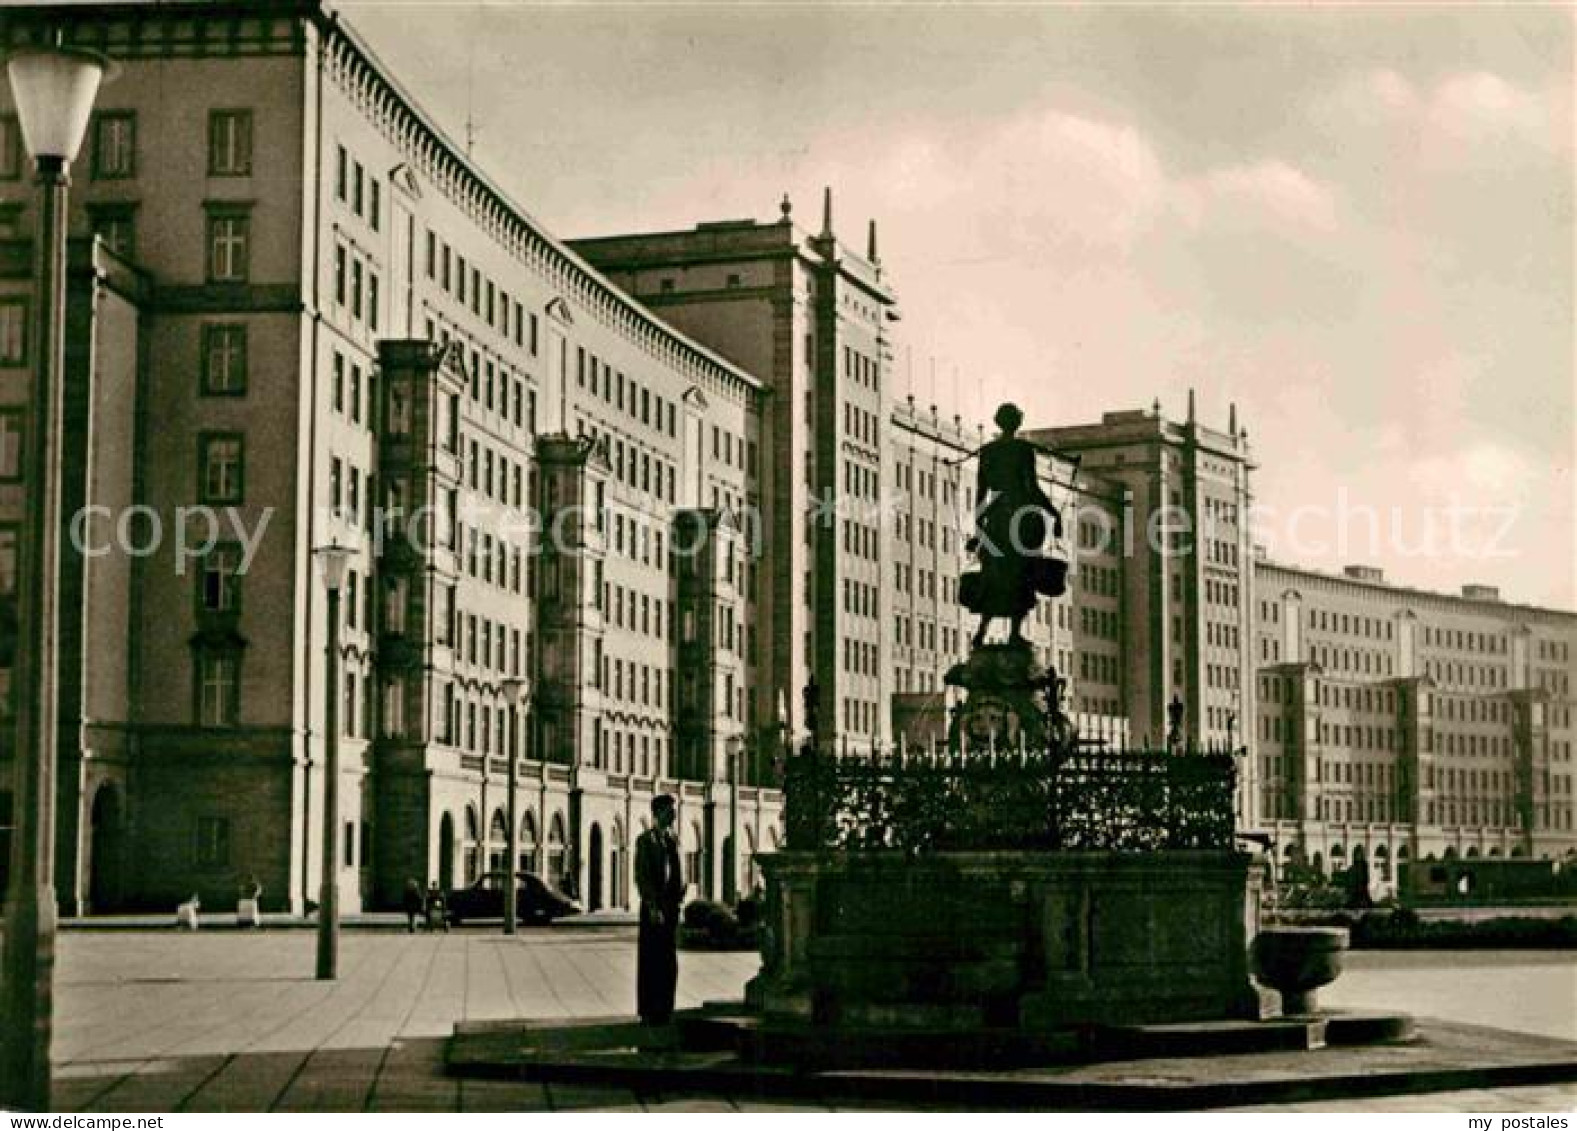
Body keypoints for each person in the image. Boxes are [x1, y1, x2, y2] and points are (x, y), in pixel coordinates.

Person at [963, 403, 1063, 649]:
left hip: (996, 520)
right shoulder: (1022, 450)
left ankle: (981, 632)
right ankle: (1014, 634)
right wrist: (1054, 513)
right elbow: (1032, 488)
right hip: (1020, 518)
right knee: (1022, 575)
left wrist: (978, 528)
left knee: (993, 575)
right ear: (1016, 423)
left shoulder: (988, 451)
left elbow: (981, 492)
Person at [634, 794, 684, 1025]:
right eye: (669, 810)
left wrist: (679, 899)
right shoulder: (646, 841)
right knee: (651, 960)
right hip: (654, 909)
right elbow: (643, 877)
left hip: (671, 908)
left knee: (668, 960)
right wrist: (652, 905)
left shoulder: (674, 839)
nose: (673, 814)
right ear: (658, 812)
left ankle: (666, 1006)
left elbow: (678, 874)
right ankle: (649, 1009)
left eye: (673, 810)